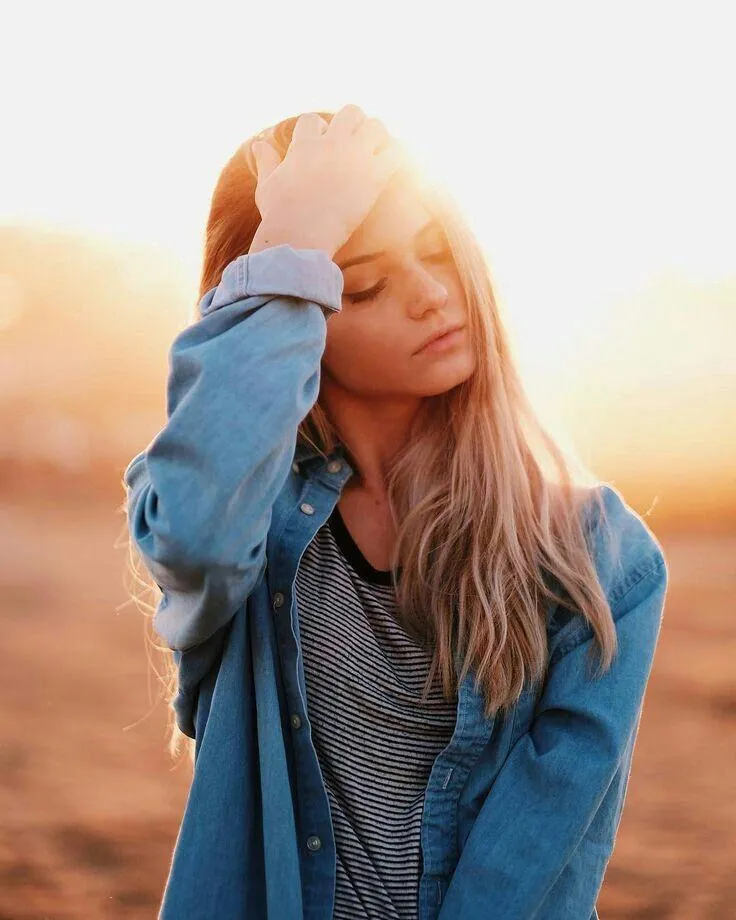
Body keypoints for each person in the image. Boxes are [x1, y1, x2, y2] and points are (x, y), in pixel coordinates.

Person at [122, 104, 669, 920]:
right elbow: (190, 531)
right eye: (364, 282)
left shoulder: (600, 558)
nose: (433, 296)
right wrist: (291, 242)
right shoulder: (247, 520)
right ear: (295, 308)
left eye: (440, 253)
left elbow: (531, 866)